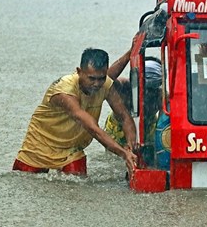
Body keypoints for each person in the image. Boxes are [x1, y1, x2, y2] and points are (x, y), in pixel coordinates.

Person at [13, 48, 137, 176]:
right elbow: (92, 128)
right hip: (39, 146)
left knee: (78, 187)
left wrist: (130, 146)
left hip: (71, 150)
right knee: (24, 182)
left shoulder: (106, 86)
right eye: (92, 79)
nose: (96, 84)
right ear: (79, 72)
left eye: (101, 78)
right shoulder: (65, 91)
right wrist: (123, 153)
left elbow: (125, 117)